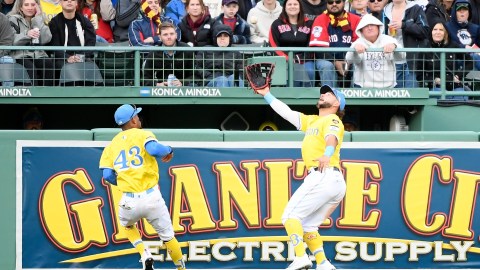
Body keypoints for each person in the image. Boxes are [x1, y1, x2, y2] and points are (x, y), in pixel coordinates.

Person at [253, 83, 346, 270]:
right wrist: (267, 94)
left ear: (337, 104)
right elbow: (287, 113)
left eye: (329, 94)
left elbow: (332, 138)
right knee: (309, 226)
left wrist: (327, 154)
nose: (324, 95)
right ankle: (323, 263)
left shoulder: (333, 119)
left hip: (323, 174)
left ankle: (301, 257)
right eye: (323, 93)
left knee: (290, 216)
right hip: (333, 181)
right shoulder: (312, 121)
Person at [99, 104, 186, 270]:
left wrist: (124, 181)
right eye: (137, 116)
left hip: (129, 200)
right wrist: (169, 150)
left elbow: (107, 175)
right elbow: (153, 149)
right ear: (133, 120)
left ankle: (144, 253)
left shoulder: (111, 145)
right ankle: (181, 268)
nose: (139, 118)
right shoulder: (143, 134)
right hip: (151, 197)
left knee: (127, 226)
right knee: (168, 237)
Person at [309, 0, 360, 87]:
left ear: (344, 3)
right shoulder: (321, 19)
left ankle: (355, 97)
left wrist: (348, 61)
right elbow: (318, 49)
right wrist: (335, 62)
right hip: (326, 59)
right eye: (330, 2)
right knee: (326, 66)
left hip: (350, 59)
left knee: (358, 65)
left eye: (338, 2)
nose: (334, 4)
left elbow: (360, 44)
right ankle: (330, 96)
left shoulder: (355, 19)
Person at [345, 13, 406, 88]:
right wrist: (354, 50)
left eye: (372, 25)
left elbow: (402, 56)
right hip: (363, 88)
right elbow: (349, 59)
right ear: (361, 31)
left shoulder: (388, 39)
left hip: (389, 87)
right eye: (366, 26)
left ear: (378, 27)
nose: (370, 28)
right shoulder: (358, 42)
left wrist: (395, 46)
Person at [417, 21, 472, 100]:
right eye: (435, 29)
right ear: (431, 32)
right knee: (442, 97)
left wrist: (459, 75)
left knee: (460, 97)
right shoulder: (425, 49)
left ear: (445, 33)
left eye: (441, 30)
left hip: (455, 85)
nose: (438, 32)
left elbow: (469, 61)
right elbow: (419, 75)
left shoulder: (453, 46)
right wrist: (434, 80)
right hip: (436, 87)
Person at [8, 0, 55, 86]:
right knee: (30, 68)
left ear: (37, 7)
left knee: (47, 64)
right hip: (20, 55)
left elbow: (47, 38)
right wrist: (26, 35)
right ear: (20, 7)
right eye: (26, 5)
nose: (30, 8)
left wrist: (37, 18)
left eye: (33, 5)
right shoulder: (12, 19)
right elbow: (11, 40)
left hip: (38, 55)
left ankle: (46, 95)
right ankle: (32, 96)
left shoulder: (40, 19)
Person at [384, 0, 429, 88]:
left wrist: (404, 25)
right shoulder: (384, 11)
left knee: (411, 96)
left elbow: (424, 30)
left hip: (411, 61)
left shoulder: (415, 9)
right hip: (392, 60)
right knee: (395, 97)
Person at [269, 0, 315, 86]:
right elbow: (273, 45)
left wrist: (300, 59)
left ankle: (308, 97)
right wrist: (288, 58)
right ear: (285, 7)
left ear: (300, 7)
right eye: (289, 4)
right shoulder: (276, 24)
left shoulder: (309, 24)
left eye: (295, 4)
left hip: (305, 60)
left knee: (309, 71)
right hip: (284, 61)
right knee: (293, 72)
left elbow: (311, 44)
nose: (292, 6)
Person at [48, 0, 96, 70]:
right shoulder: (54, 23)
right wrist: (67, 57)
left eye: (72, 0)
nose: (69, 1)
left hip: (83, 58)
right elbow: (54, 45)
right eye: (65, 0)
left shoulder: (84, 21)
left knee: (92, 69)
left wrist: (80, 57)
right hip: (63, 59)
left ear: (76, 3)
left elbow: (91, 42)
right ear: (60, 3)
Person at [446, 0, 480, 70]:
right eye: (459, 10)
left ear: (469, 12)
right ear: (454, 13)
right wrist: (464, 47)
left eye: (465, 10)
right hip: (455, 60)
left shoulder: (476, 28)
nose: (462, 12)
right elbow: (446, 44)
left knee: (475, 58)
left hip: (475, 62)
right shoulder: (447, 27)